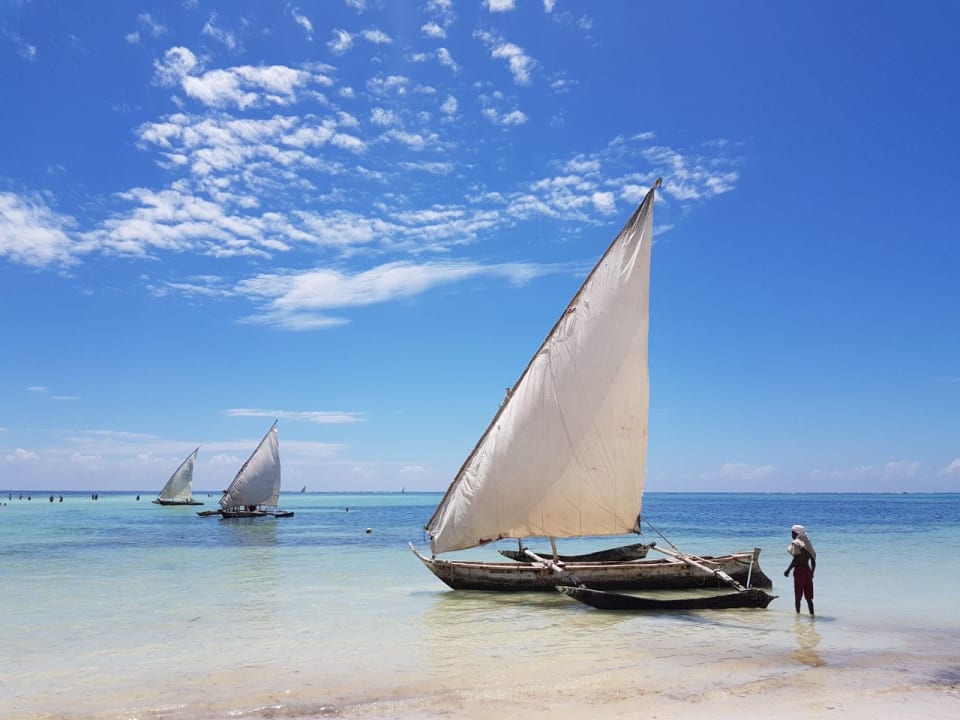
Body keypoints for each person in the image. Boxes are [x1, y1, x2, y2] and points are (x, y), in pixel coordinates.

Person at [784, 524, 816, 616]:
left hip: (799, 572)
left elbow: (796, 559)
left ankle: (797, 617)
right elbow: (813, 560)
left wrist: (788, 570)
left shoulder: (796, 543)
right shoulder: (807, 544)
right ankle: (812, 616)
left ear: (796, 533)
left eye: (792, 533)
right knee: (809, 598)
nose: (791, 535)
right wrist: (812, 572)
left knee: (798, 597)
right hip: (807, 571)